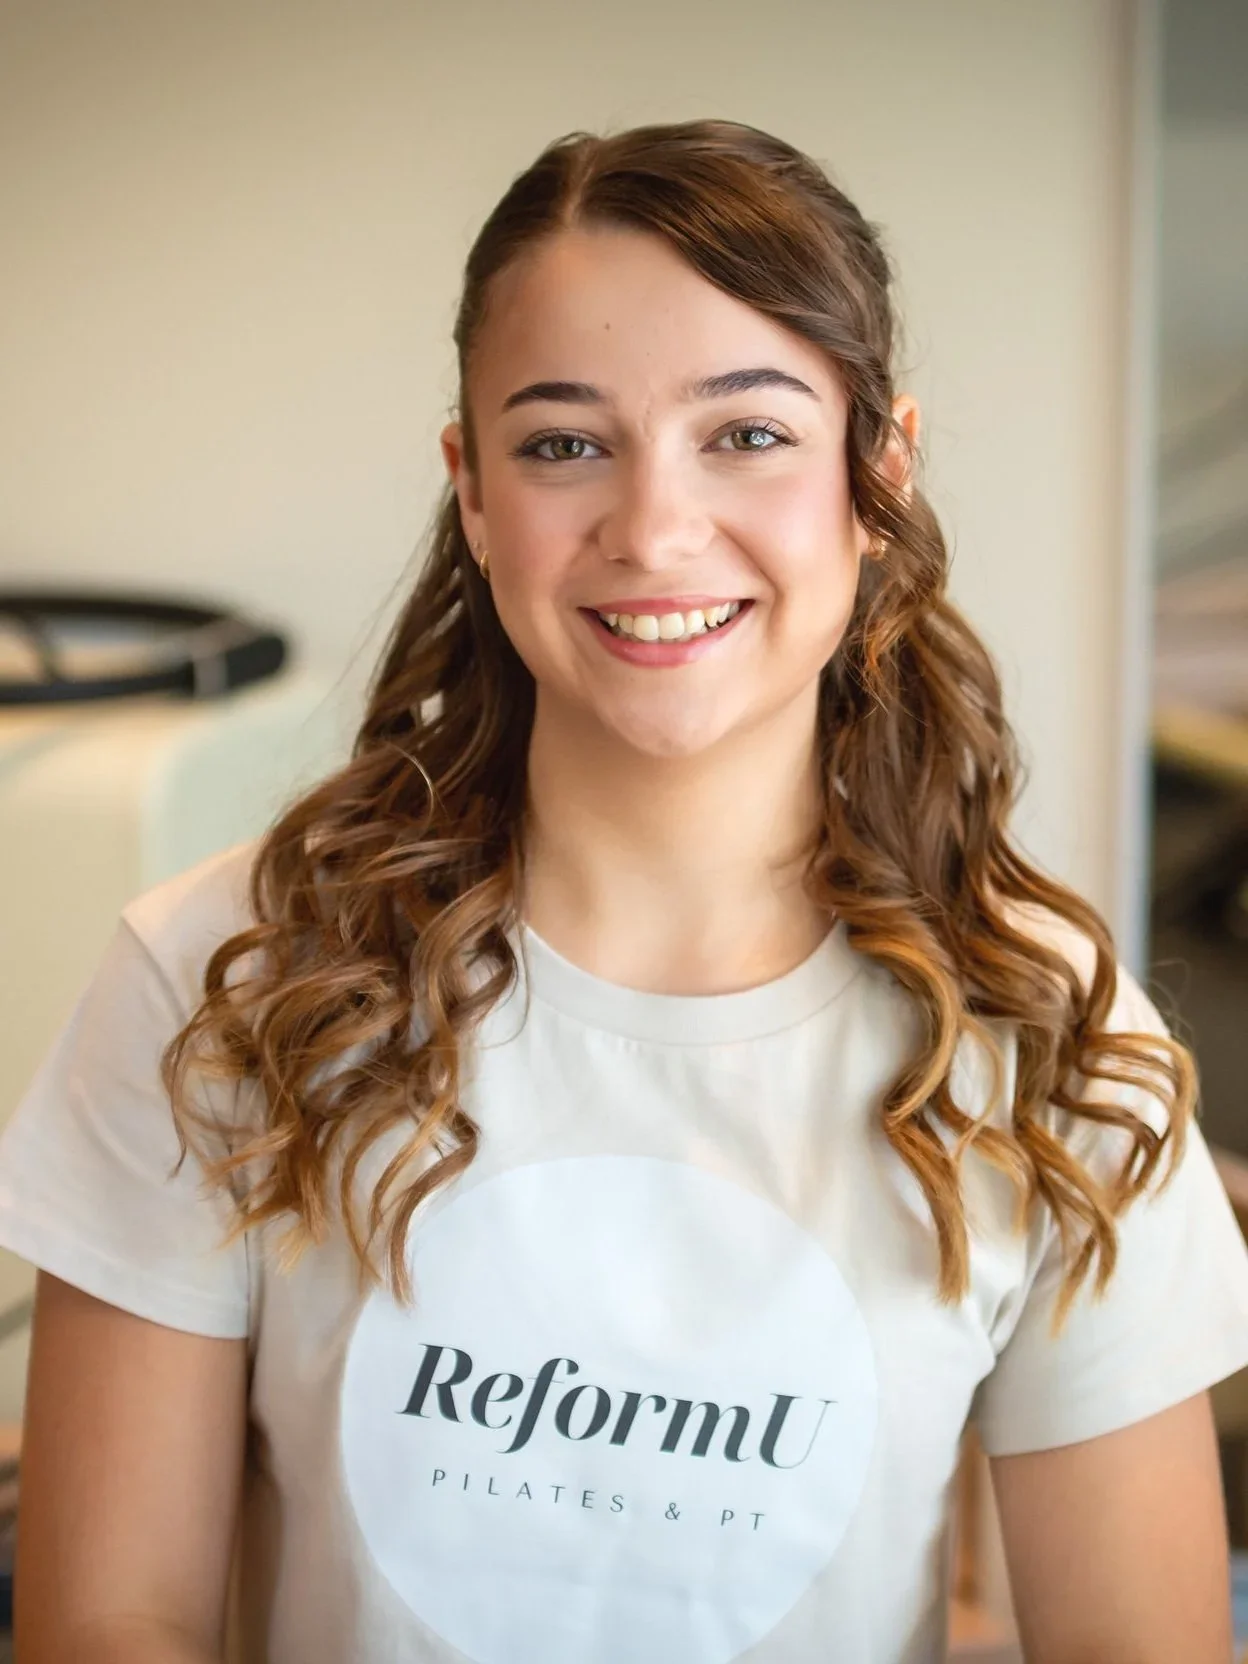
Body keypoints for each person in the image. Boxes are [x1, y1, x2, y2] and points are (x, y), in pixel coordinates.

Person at [2, 120, 1246, 1664]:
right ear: (470, 486)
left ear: (881, 469)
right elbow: (110, 1622)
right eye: (564, 443)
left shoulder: (1044, 1036)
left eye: (748, 434)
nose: (655, 529)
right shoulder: (223, 977)